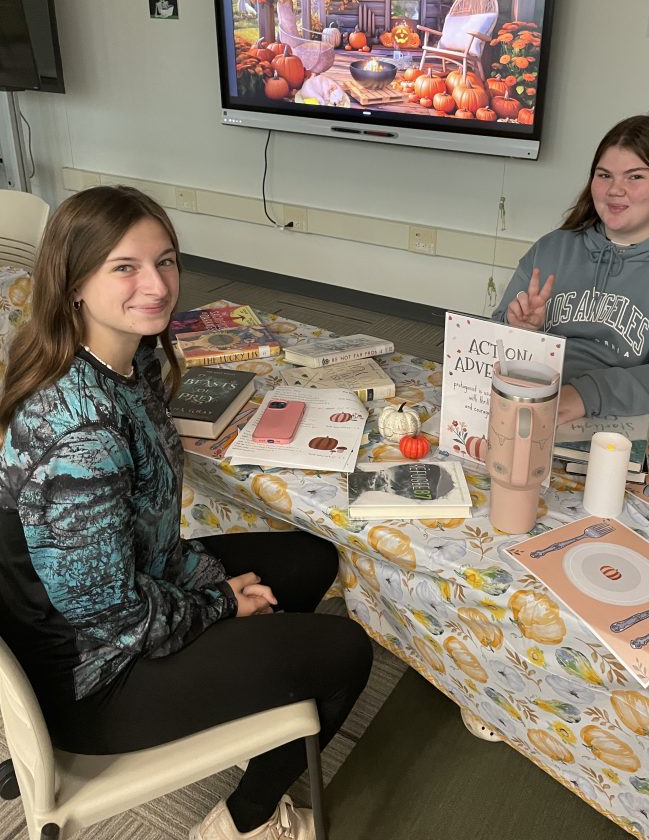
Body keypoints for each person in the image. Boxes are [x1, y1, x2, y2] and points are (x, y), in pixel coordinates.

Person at [0, 186, 372, 840]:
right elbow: (110, 614)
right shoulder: (80, 440)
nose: (158, 284)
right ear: (75, 283)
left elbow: (137, 557)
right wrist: (220, 606)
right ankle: (243, 823)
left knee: (313, 558)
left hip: (124, 601)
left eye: (166, 260)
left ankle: (256, 691)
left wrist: (209, 587)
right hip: (94, 679)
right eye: (126, 266)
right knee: (347, 652)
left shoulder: (124, 355)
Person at [492, 114, 649, 435]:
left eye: (635, 177)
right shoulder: (552, 248)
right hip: (534, 409)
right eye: (604, 175)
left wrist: (583, 394)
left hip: (635, 432)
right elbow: (492, 340)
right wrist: (520, 330)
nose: (614, 190)